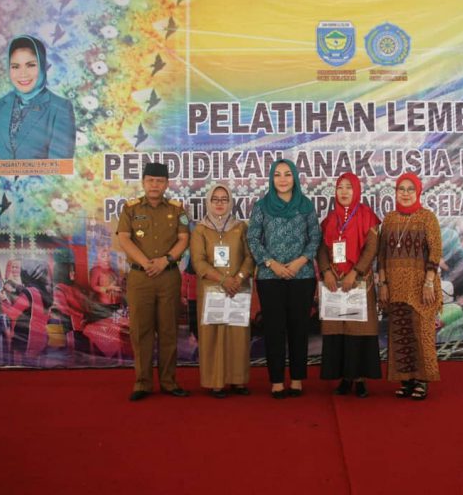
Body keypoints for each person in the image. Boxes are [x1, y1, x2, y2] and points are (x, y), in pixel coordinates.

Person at [116, 162, 190, 401]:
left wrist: (165, 260)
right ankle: (143, 383)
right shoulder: (130, 209)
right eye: (150, 180)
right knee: (141, 331)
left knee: (168, 330)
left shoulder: (177, 209)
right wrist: (147, 263)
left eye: (159, 181)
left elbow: (183, 238)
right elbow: (124, 238)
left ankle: (169, 381)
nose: (154, 185)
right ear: (143, 182)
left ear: (167, 184)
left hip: (168, 276)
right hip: (140, 277)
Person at [247, 159, 320, 399]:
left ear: (295, 177)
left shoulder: (306, 205)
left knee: (299, 329)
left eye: (287, 174)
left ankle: (297, 379)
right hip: (270, 277)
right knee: (274, 329)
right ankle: (277, 380)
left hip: (302, 276)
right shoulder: (262, 206)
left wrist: (300, 262)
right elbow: (253, 238)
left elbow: (315, 238)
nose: (283, 179)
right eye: (277, 174)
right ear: (271, 178)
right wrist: (272, 263)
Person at [377, 173, 442, 401]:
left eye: (410, 189)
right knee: (401, 332)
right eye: (401, 189)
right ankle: (407, 380)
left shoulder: (427, 218)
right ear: (395, 192)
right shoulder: (389, 219)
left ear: (418, 192)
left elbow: (435, 251)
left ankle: (422, 381)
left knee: (421, 332)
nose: (405, 194)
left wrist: (429, 282)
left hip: (420, 286)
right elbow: (382, 255)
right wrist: (383, 283)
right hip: (395, 286)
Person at [318, 173, 382, 398]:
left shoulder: (367, 216)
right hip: (334, 283)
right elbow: (321, 249)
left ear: (357, 190)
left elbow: (372, 248)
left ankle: (360, 380)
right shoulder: (329, 219)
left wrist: (355, 272)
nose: (344, 191)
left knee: (358, 330)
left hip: (359, 282)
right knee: (340, 330)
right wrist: (326, 271)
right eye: (340, 187)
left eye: (349, 187)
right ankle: (345, 378)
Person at [190, 184, 255, 398]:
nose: (219, 203)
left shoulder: (241, 227)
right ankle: (215, 382)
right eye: (215, 199)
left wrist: (239, 278)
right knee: (213, 335)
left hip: (237, 289)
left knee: (238, 334)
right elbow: (199, 262)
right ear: (208, 202)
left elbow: (250, 257)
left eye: (224, 199)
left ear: (230, 202)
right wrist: (224, 280)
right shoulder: (200, 230)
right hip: (211, 290)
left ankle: (237, 380)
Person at [0, 35, 75, 159]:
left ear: (43, 65)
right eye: (15, 66)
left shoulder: (60, 108)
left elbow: (60, 165)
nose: (23, 74)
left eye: (31, 65)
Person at [0, 260, 51, 366]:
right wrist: (16, 289)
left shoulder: (29, 293)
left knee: (20, 369)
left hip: (26, 339)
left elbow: (12, 314)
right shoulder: (45, 291)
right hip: (42, 337)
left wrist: (3, 300)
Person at [89, 246, 123, 311]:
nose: (106, 258)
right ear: (99, 257)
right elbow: (93, 286)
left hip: (117, 301)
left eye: (108, 256)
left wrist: (120, 281)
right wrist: (108, 288)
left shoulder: (112, 270)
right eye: (103, 256)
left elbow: (115, 284)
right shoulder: (96, 270)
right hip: (104, 303)